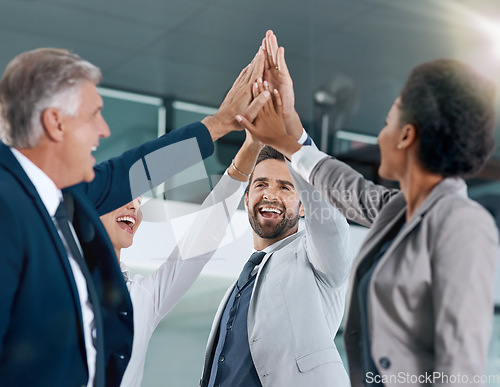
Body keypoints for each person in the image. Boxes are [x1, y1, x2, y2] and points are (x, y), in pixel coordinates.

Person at [239, 31, 499, 387]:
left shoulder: (463, 223)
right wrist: (286, 125)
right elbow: (347, 188)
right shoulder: (400, 211)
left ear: (406, 136)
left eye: (388, 121)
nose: (379, 136)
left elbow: (461, 367)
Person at [0, 46, 269, 386]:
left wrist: (221, 124)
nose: (104, 130)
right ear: (55, 122)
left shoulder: (61, 200)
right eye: (93, 114)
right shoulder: (9, 205)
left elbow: (135, 172)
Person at [200, 80, 353, 385]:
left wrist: (291, 135)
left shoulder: (319, 261)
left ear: (305, 205)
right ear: (246, 199)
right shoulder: (241, 284)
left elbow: (330, 219)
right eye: (261, 185)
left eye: (285, 187)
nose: (270, 194)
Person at [99, 131, 261, 386]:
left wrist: (251, 148)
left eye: (140, 202)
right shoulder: (62, 276)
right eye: (125, 198)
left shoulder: (142, 298)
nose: (135, 207)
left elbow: (203, 238)